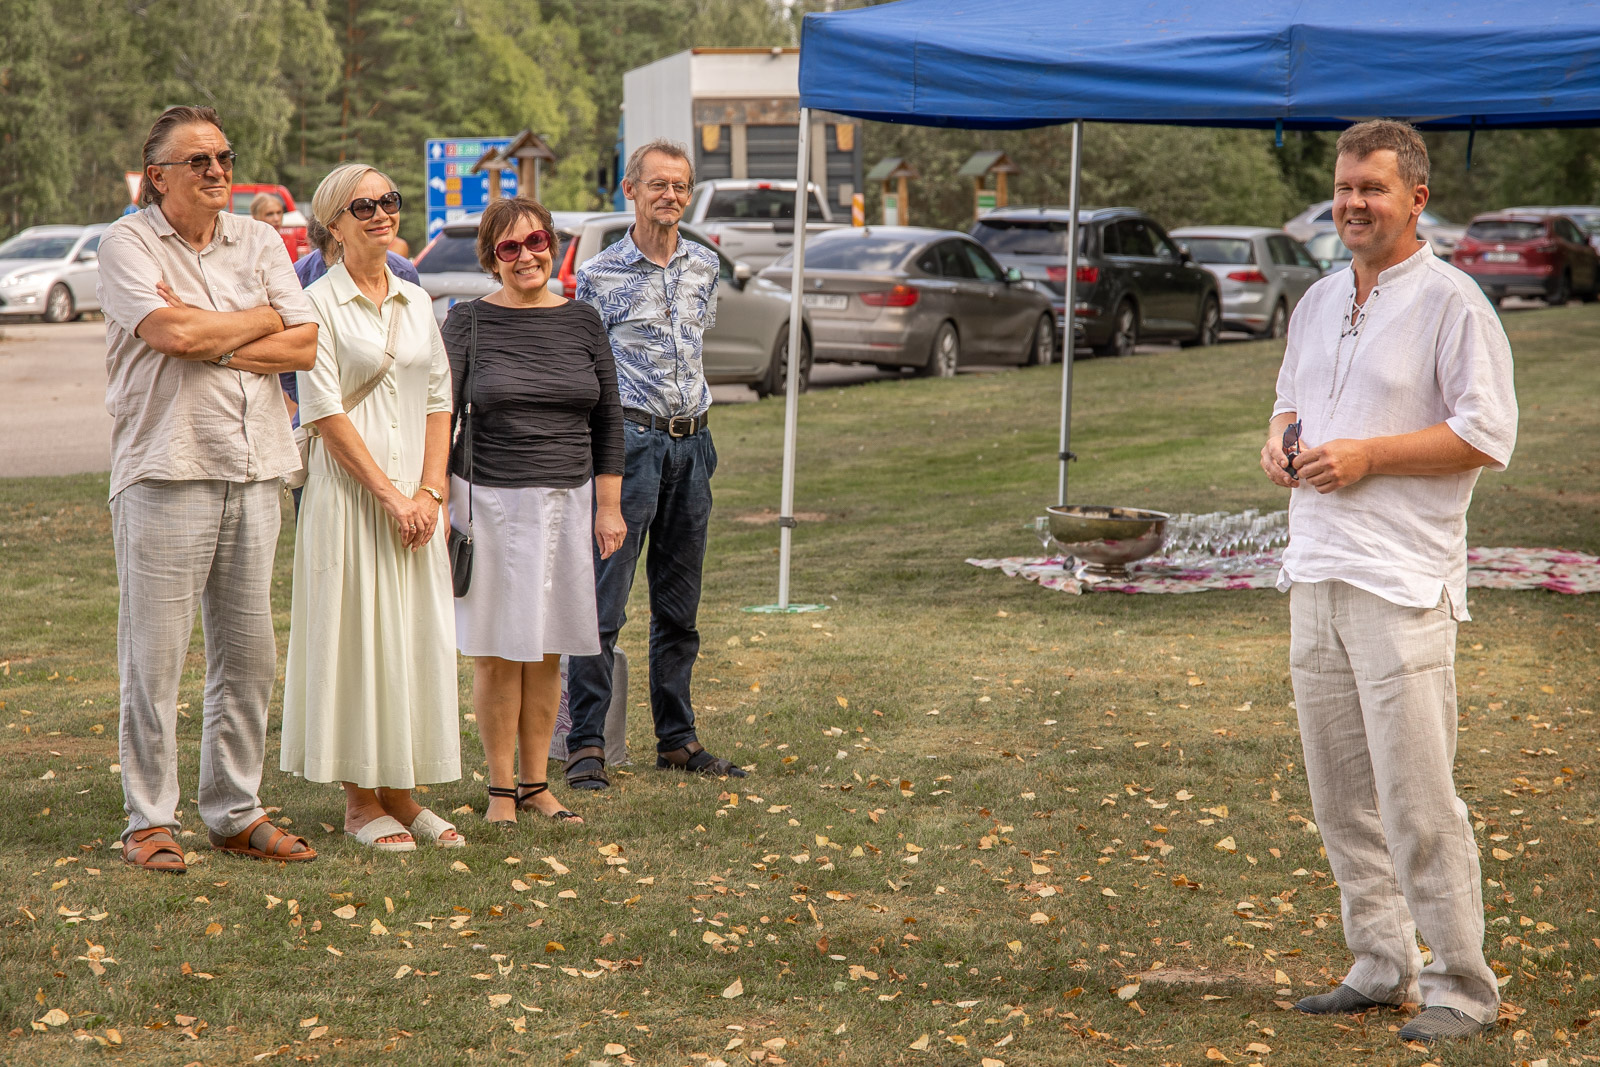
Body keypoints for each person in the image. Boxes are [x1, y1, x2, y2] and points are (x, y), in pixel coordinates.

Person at [1260, 120, 1517, 1045]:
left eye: (1373, 188)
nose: (1353, 203)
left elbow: (1486, 434)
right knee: (1340, 794)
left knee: (1417, 798)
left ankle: (1462, 984)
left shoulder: (1455, 304)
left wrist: (1370, 455)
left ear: (1417, 197)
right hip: (1317, 568)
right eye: (1344, 187)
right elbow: (1291, 398)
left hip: (1403, 581)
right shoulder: (1321, 298)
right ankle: (1379, 961)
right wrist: (1281, 441)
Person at [97, 105, 320, 872]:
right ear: (158, 176)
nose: (218, 170)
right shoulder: (126, 241)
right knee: (154, 661)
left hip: (256, 465)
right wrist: (256, 319)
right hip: (166, 468)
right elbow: (170, 335)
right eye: (199, 161)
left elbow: (307, 341)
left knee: (248, 657)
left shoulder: (258, 238)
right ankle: (149, 819)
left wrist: (220, 334)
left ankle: (234, 810)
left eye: (224, 156)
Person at [279, 164, 462, 851]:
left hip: (416, 503)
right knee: (357, 636)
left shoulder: (417, 300)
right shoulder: (316, 303)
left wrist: (430, 493)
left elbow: (441, 399)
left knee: (412, 637)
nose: (383, 212)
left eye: (390, 199)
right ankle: (360, 802)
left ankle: (404, 793)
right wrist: (389, 496)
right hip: (352, 502)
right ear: (335, 223)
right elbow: (323, 410)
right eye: (366, 205)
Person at [563, 139, 744, 791]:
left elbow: (696, 344)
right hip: (629, 446)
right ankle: (585, 744)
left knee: (679, 605)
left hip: (693, 444)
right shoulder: (601, 274)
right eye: (658, 184)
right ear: (629, 189)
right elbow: (589, 369)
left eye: (682, 186)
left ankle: (677, 738)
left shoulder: (703, 264)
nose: (671, 195)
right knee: (603, 602)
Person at [442, 196, 625, 826]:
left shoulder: (583, 321)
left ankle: (537, 784)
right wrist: (436, 496)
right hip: (488, 501)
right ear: (492, 259)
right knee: (497, 650)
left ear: (553, 243)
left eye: (537, 241)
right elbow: (440, 417)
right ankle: (499, 792)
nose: (527, 256)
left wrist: (608, 507)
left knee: (549, 649)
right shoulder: (467, 322)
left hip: (567, 504)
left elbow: (608, 419)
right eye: (509, 248)